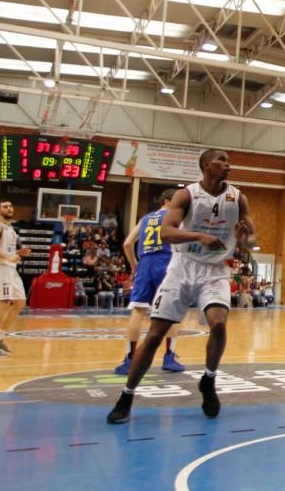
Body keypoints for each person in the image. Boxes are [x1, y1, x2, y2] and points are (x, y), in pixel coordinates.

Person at [107, 149, 256, 423]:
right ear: (205, 165)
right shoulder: (186, 195)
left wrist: (245, 238)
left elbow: (252, 241)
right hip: (182, 267)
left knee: (219, 323)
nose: (227, 165)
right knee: (154, 335)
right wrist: (199, 235)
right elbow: (166, 232)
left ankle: (209, 380)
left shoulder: (238, 197)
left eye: (228, 161)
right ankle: (126, 396)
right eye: (221, 160)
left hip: (215, 271)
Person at [114, 189, 183, 375]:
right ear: (167, 201)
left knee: (138, 310)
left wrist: (135, 265)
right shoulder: (176, 218)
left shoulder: (145, 219)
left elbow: (128, 243)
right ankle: (170, 356)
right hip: (166, 262)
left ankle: (129, 360)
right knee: (172, 311)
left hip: (145, 263)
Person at [0, 200, 32, 358]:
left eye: (10, 206)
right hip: (0, 267)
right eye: (5, 207)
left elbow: (9, 252)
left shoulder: (11, 228)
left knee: (20, 302)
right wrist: (8, 256)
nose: (9, 208)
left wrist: (19, 254)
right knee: (3, 304)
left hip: (10, 268)